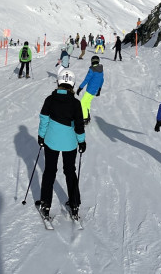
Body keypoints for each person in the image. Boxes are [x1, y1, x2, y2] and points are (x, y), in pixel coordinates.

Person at [37, 69, 86, 221]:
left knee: (50, 171)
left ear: (58, 82)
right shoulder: (76, 103)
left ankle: (45, 204)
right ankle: (75, 204)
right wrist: (82, 141)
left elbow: (44, 119)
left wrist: (41, 136)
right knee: (70, 171)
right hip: (70, 143)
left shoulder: (50, 100)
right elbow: (79, 125)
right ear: (72, 84)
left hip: (51, 141)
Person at [75, 55, 104, 124]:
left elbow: (86, 80)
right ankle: (87, 116)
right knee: (87, 102)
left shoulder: (92, 70)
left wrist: (80, 88)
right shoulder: (101, 69)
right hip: (95, 90)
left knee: (82, 103)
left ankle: (85, 118)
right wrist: (99, 89)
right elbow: (102, 80)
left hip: (90, 90)